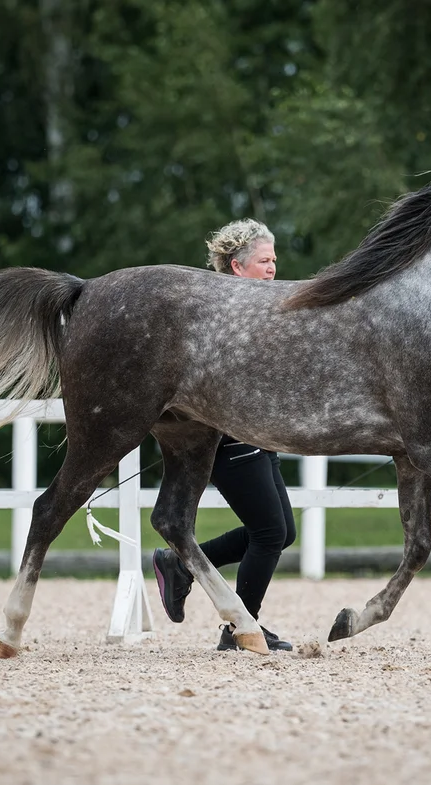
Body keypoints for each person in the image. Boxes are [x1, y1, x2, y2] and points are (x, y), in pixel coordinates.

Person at [152, 218, 296, 652]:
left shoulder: (262, 308)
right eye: (264, 261)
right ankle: (239, 629)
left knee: (282, 533)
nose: (272, 268)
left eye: (274, 260)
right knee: (269, 532)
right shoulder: (221, 313)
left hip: (260, 432)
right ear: (237, 266)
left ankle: (181, 565)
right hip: (229, 435)